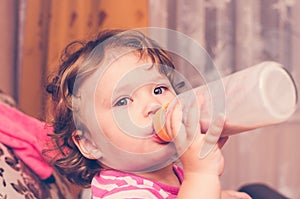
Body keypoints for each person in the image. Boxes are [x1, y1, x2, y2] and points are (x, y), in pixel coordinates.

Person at [45, 29, 251, 199]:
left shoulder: (173, 173)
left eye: (159, 90)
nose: (154, 105)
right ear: (90, 144)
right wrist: (201, 174)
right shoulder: (120, 194)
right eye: (123, 101)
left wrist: (219, 193)